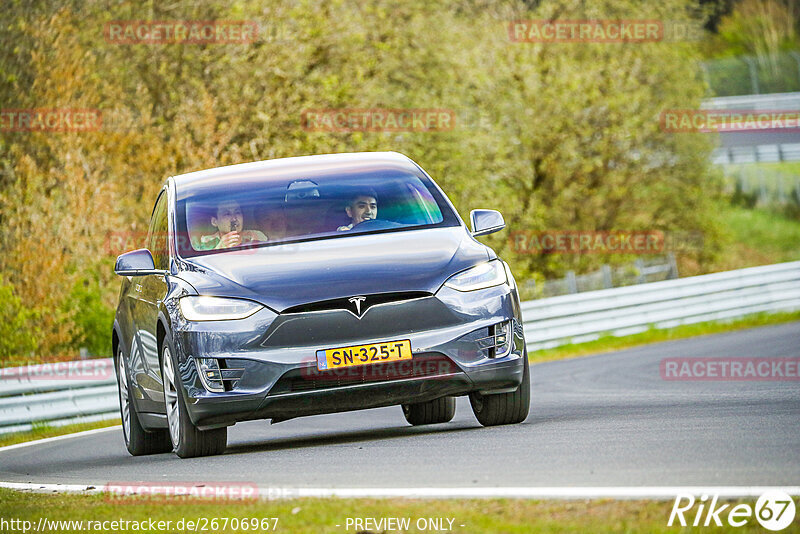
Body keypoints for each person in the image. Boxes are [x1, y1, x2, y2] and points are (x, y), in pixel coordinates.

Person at [196, 200, 268, 250]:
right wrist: (220, 248)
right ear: (215, 222)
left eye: (237, 212)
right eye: (227, 214)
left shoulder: (256, 235)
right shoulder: (207, 241)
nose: (234, 219)